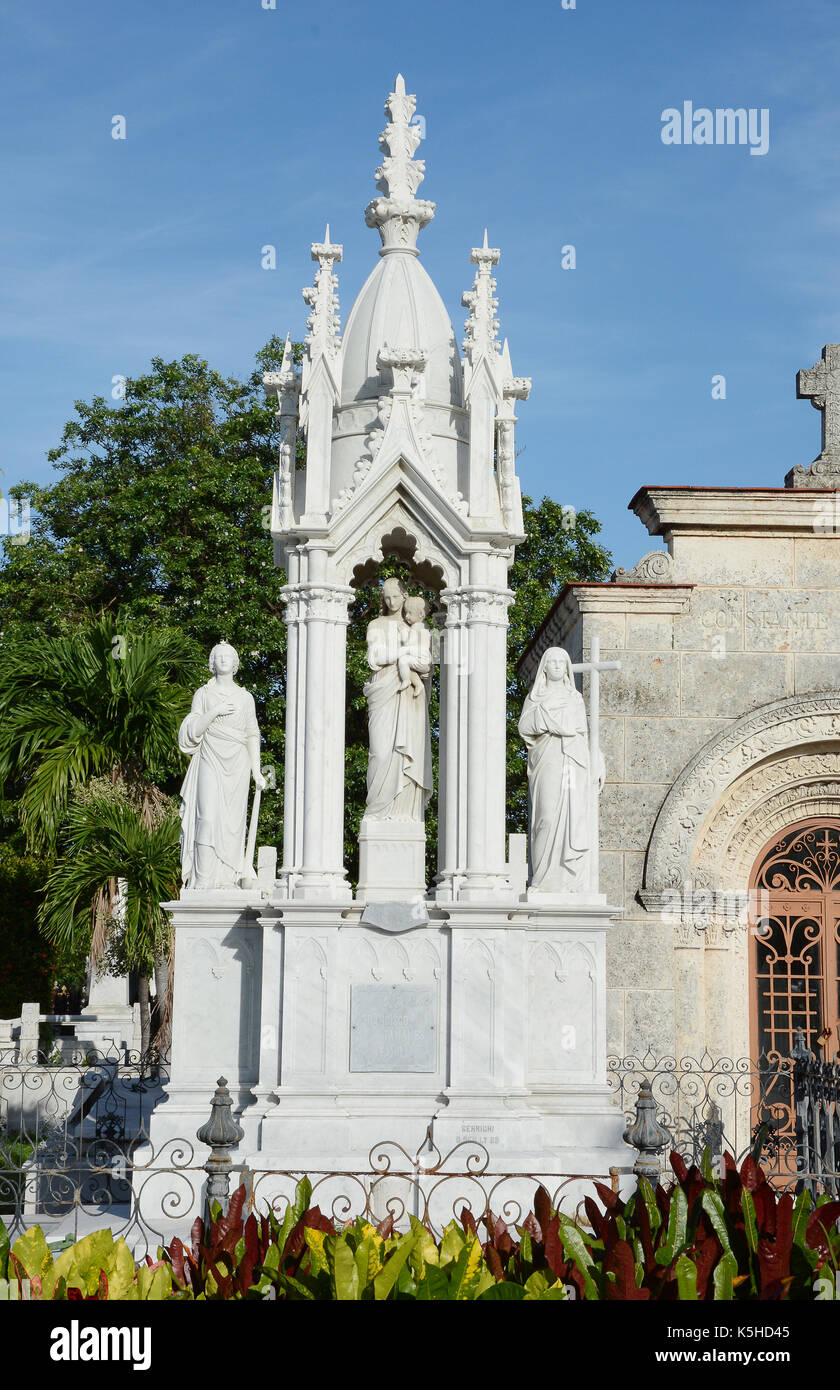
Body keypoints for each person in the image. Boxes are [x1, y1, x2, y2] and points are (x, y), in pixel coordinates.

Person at [178, 642, 266, 889]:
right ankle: (203, 879)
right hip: (210, 756)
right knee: (206, 816)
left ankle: (227, 878)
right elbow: (192, 730)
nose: (224, 659)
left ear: (236, 664)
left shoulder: (245, 698)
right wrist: (214, 711)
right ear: (212, 663)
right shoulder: (203, 694)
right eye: (219, 656)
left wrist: (257, 771)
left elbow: (252, 734)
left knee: (233, 823)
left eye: (229, 656)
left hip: (238, 763)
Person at [517, 647, 597, 892]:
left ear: (566, 668)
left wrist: (597, 760)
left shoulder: (574, 698)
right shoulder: (535, 698)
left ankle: (568, 878)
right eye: (550, 662)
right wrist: (546, 720)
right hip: (547, 760)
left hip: (571, 761)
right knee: (547, 815)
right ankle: (541, 878)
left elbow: (582, 734)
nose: (555, 666)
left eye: (560, 663)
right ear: (544, 667)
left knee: (572, 812)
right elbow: (524, 726)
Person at [364, 578, 433, 821]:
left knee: (406, 752)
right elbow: (376, 656)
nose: (391, 602)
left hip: (408, 697)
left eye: (395, 596)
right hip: (383, 689)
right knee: (381, 753)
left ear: (404, 596)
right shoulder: (376, 624)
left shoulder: (415, 626)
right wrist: (404, 653)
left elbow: (426, 663)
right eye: (386, 597)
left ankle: (404, 813)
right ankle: (376, 810)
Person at [397, 595, 432, 697]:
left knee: (403, 660)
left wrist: (403, 631)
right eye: (405, 613)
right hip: (426, 660)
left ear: (420, 614)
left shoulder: (415, 627)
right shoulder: (426, 626)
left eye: (409, 613)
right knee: (407, 663)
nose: (406, 616)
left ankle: (406, 680)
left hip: (421, 659)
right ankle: (418, 684)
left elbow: (408, 643)